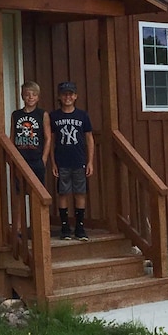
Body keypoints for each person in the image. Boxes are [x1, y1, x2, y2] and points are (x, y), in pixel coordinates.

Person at [50, 81, 94, 239]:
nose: (67, 97)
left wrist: (90, 161)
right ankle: (65, 227)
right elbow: (51, 140)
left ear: (75, 96)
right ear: (59, 96)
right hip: (62, 161)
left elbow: (89, 139)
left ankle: (80, 227)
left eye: (70, 94)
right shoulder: (54, 116)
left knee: (80, 193)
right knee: (63, 193)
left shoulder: (83, 115)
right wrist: (53, 163)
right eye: (64, 94)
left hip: (79, 160)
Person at [10, 81, 52, 187]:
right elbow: (12, 136)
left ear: (38, 97)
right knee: (19, 190)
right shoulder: (16, 115)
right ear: (22, 96)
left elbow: (48, 138)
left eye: (34, 94)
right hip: (20, 158)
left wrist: (44, 158)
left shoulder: (42, 114)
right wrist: (13, 157)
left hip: (37, 159)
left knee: (38, 190)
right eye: (27, 94)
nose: (30, 97)